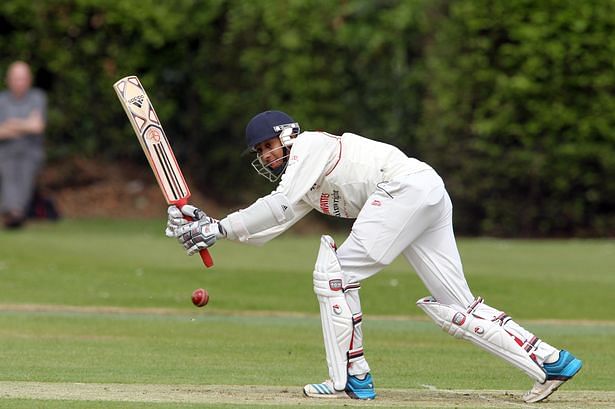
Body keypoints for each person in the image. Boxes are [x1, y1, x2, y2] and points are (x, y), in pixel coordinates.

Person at [165, 110, 582, 403]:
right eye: (259, 152)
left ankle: (349, 378)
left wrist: (214, 229)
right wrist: (210, 227)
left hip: (403, 190)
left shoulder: (311, 145)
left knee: (334, 275)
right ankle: (552, 361)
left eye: (268, 146)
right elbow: (271, 225)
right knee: (459, 304)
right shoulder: (305, 183)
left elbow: (276, 205)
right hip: (425, 191)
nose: (265, 156)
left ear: (288, 134)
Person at [0, 61, 47, 229]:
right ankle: (14, 212)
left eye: (23, 79)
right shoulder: (2, 100)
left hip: (30, 150)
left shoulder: (37, 97)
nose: (19, 83)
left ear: (29, 80)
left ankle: (14, 211)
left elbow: (38, 126)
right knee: (9, 173)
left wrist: (11, 124)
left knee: (25, 172)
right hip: (5, 150)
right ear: (8, 80)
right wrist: (25, 125)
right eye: (16, 79)